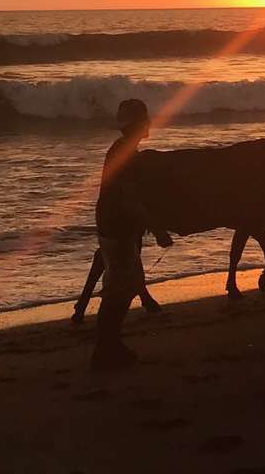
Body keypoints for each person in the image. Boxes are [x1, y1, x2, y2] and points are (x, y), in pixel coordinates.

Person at [91, 97, 172, 371]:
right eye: (145, 120)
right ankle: (105, 350)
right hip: (118, 227)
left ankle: (110, 346)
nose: (149, 124)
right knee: (118, 291)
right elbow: (129, 199)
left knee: (122, 285)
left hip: (110, 223)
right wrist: (158, 228)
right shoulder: (127, 155)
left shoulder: (119, 149)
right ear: (138, 125)